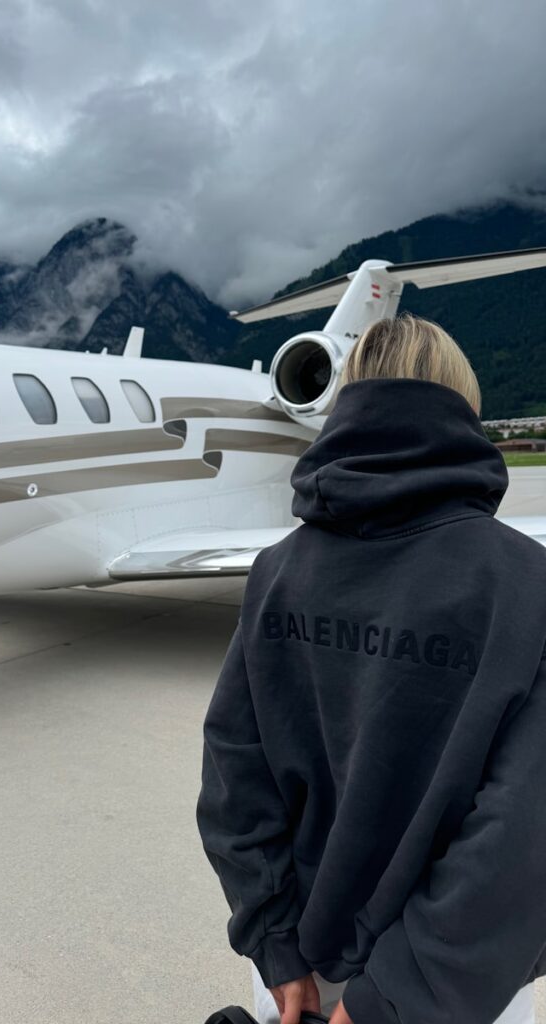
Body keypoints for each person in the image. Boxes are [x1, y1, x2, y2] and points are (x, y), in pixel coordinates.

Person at [196, 314, 546, 1024]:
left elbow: (235, 772)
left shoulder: (278, 572)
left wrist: (275, 942)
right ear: (464, 410)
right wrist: (396, 995)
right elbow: (521, 830)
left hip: (298, 972)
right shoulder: (524, 584)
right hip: (450, 985)